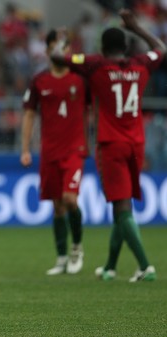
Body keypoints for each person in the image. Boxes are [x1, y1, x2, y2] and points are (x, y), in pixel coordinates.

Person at [51, 9, 166, 282]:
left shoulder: (96, 65)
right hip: (136, 143)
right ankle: (111, 267)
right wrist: (137, 28)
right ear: (126, 47)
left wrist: (60, 39)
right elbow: (161, 48)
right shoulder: (140, 64)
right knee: (121, 205)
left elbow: (58, 57)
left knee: (122, 206)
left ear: (103, 48)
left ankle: (144, 266)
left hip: (111, 145)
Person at [21, 29, 88, 276]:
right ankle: (61, 257)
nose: (60, 51)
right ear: (48, 50)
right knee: (57, 206)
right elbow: (29, 114)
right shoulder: (39, 81)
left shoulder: (81, 80)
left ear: (70, 51)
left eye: (64, 47)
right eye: (55, 47)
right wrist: (25, 149)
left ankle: (77, 248)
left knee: (71, 199)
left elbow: (98, 106)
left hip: (74, 149)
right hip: (49, 151)